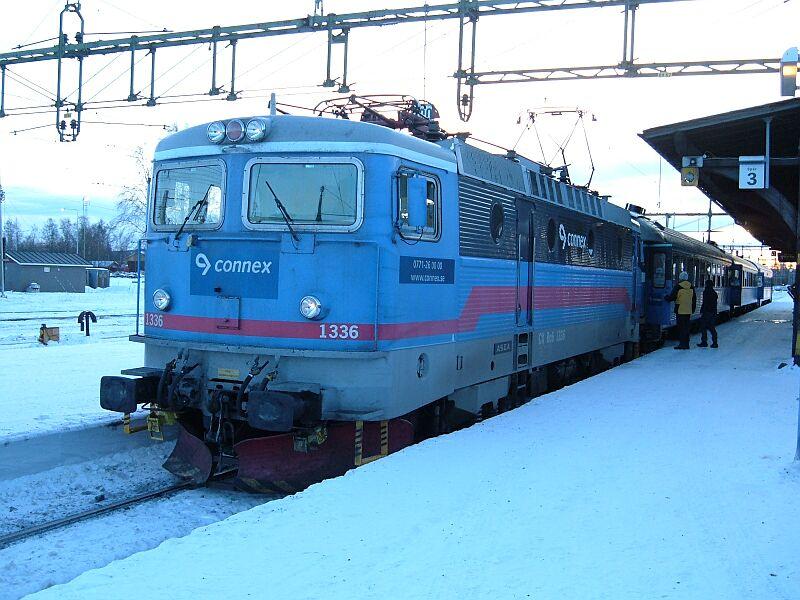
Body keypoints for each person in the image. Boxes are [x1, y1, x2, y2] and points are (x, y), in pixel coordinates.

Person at [665, 271, 696, 350]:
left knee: (681, 328)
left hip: (680, 310)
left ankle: (682, 344)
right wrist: (693, 309)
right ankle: (687, 344)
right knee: (686, 328)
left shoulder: (678, 287)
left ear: (680, 278)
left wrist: (666, 297)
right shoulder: (691, 287)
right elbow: (694, 300)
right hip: (688, 310)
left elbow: (672, 297)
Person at [697, 279, 718, 348]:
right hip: (713, 312)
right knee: (712, 327)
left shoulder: (706, 292)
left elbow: (705, 302)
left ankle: (704, 342)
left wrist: (702, 310)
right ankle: (715, 342)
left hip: (707, 312)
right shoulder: (714, 293)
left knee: (703, 327)